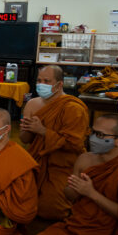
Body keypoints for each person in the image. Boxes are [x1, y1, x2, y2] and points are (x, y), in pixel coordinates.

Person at [20, 65, 89, 220]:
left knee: (50, 210)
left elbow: (74, 144)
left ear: (59, 84)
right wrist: (27, 129)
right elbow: (25, 140)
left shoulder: (72, 107)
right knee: (17, 196)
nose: (41, 84)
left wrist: (43, 131)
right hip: (35, 160)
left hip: (61, 165)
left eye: (47, 81)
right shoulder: (32, 104)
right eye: (39, 80)